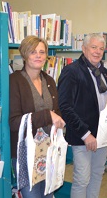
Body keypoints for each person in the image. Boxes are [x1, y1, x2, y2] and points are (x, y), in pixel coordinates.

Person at [58, 33, 107, 198]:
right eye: (93, 47)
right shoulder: (71, 71)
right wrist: (86, 135)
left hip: (102, 135)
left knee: (97, 176)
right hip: (83, 136)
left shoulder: (104, 71)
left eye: (101, 48)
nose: (97, 52)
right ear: (84, 49)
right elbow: (65, 107)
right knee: (82, 179)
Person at [9, 35, 65, 198]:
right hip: (26, 152)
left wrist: (58, 120)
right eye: (33, 52)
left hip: (49, 150)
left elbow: (57, 110)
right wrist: (47, 116)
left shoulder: (49, 80)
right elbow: (14, 122)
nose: (38, 56)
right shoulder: (14, 81)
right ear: (25, 55)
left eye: (42, 52)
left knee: (48, 195)